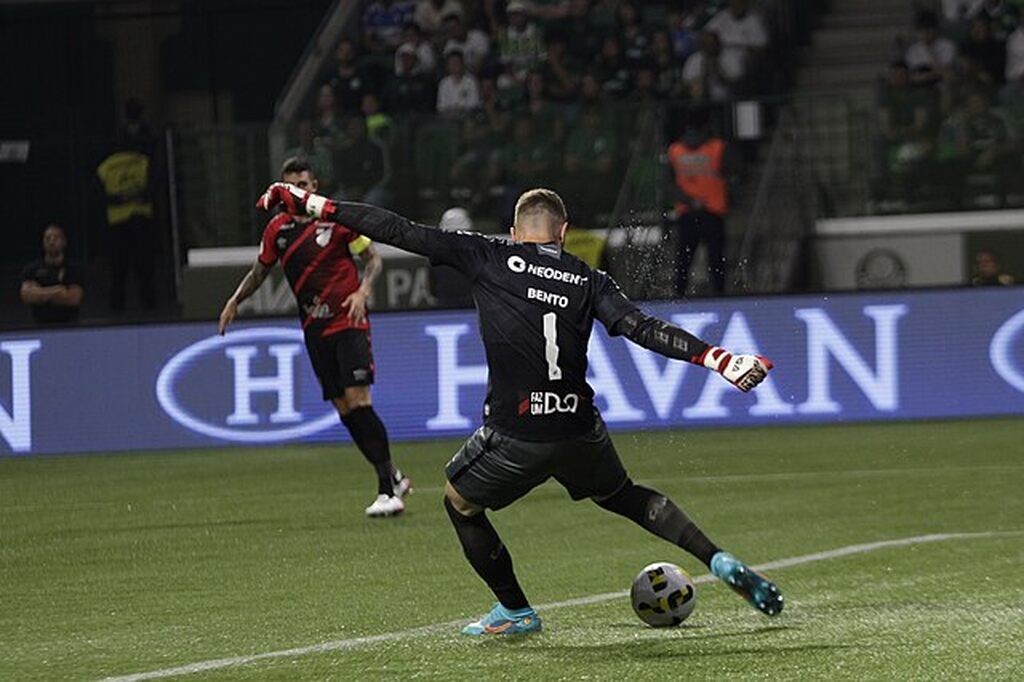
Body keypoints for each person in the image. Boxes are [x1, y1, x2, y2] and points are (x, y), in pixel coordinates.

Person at [255, 183, 783, 635]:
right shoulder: (588, 278)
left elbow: (397, 229)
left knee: (459, 500)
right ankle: (716, 557)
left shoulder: (485, 254)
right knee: (623, 495)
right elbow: (640, 327)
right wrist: (717, 357)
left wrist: (313, 203)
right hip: (580, 428)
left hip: (517, 431)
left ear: (515, 229)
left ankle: (515, 609)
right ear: (563, 230)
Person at [219, 158, 411, 518]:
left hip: (348, 322)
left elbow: (373, 260)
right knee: (343, 408)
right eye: (291, 186)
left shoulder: (337, 222)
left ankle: (388, 491)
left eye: (303, 185)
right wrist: (234, 300)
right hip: (314, 328)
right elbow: (260, 272)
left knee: (359, 400)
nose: (298, 192)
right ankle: (394, 475)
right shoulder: (277, 229)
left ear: (314, 186)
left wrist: (363, 292)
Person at [96, 99, 159, 313]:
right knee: (123, 268)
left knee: (135, 267)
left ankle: (143, 305)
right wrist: (126, 198)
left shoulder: (109, 166)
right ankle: (123, 308)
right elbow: (153, 187)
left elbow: (153, 187)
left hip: (132, 219)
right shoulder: (142, 162)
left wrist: (123, 198)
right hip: (125, 220)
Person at [666, 114, 736, 296]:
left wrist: (688, 200)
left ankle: (678, 295)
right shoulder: (717, 147)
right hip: (713, 210)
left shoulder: (675, 150)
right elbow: (733, 172)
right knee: (716, 260)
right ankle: (720, 295)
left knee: (683, 260)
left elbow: (670, 182)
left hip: (687, 212)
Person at [20, 224, 85, 325]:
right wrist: (58, 291)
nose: (51, 241)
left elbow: (74, 299)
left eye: (56, 238)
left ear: (64, 242)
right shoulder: (31, 269)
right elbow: (27, 296)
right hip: (39, 324)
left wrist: (40, 294)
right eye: (48, 238)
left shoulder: (74, 269)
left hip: (69, 325)